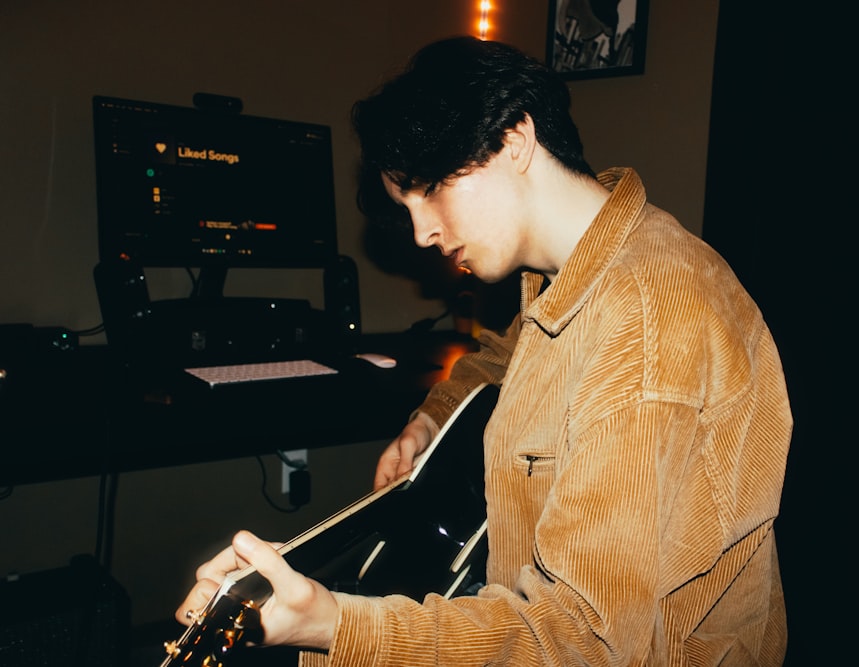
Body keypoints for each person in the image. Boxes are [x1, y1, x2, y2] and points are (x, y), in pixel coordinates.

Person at [176, 36, 793, 666]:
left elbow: (584, 643)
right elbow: (507, 354)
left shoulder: (645, 325)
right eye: (406, 207)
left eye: (429, 189)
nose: (421, 233)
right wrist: (430, 420)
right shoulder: (582, 268)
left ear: (515, 140)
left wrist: (337, 626)